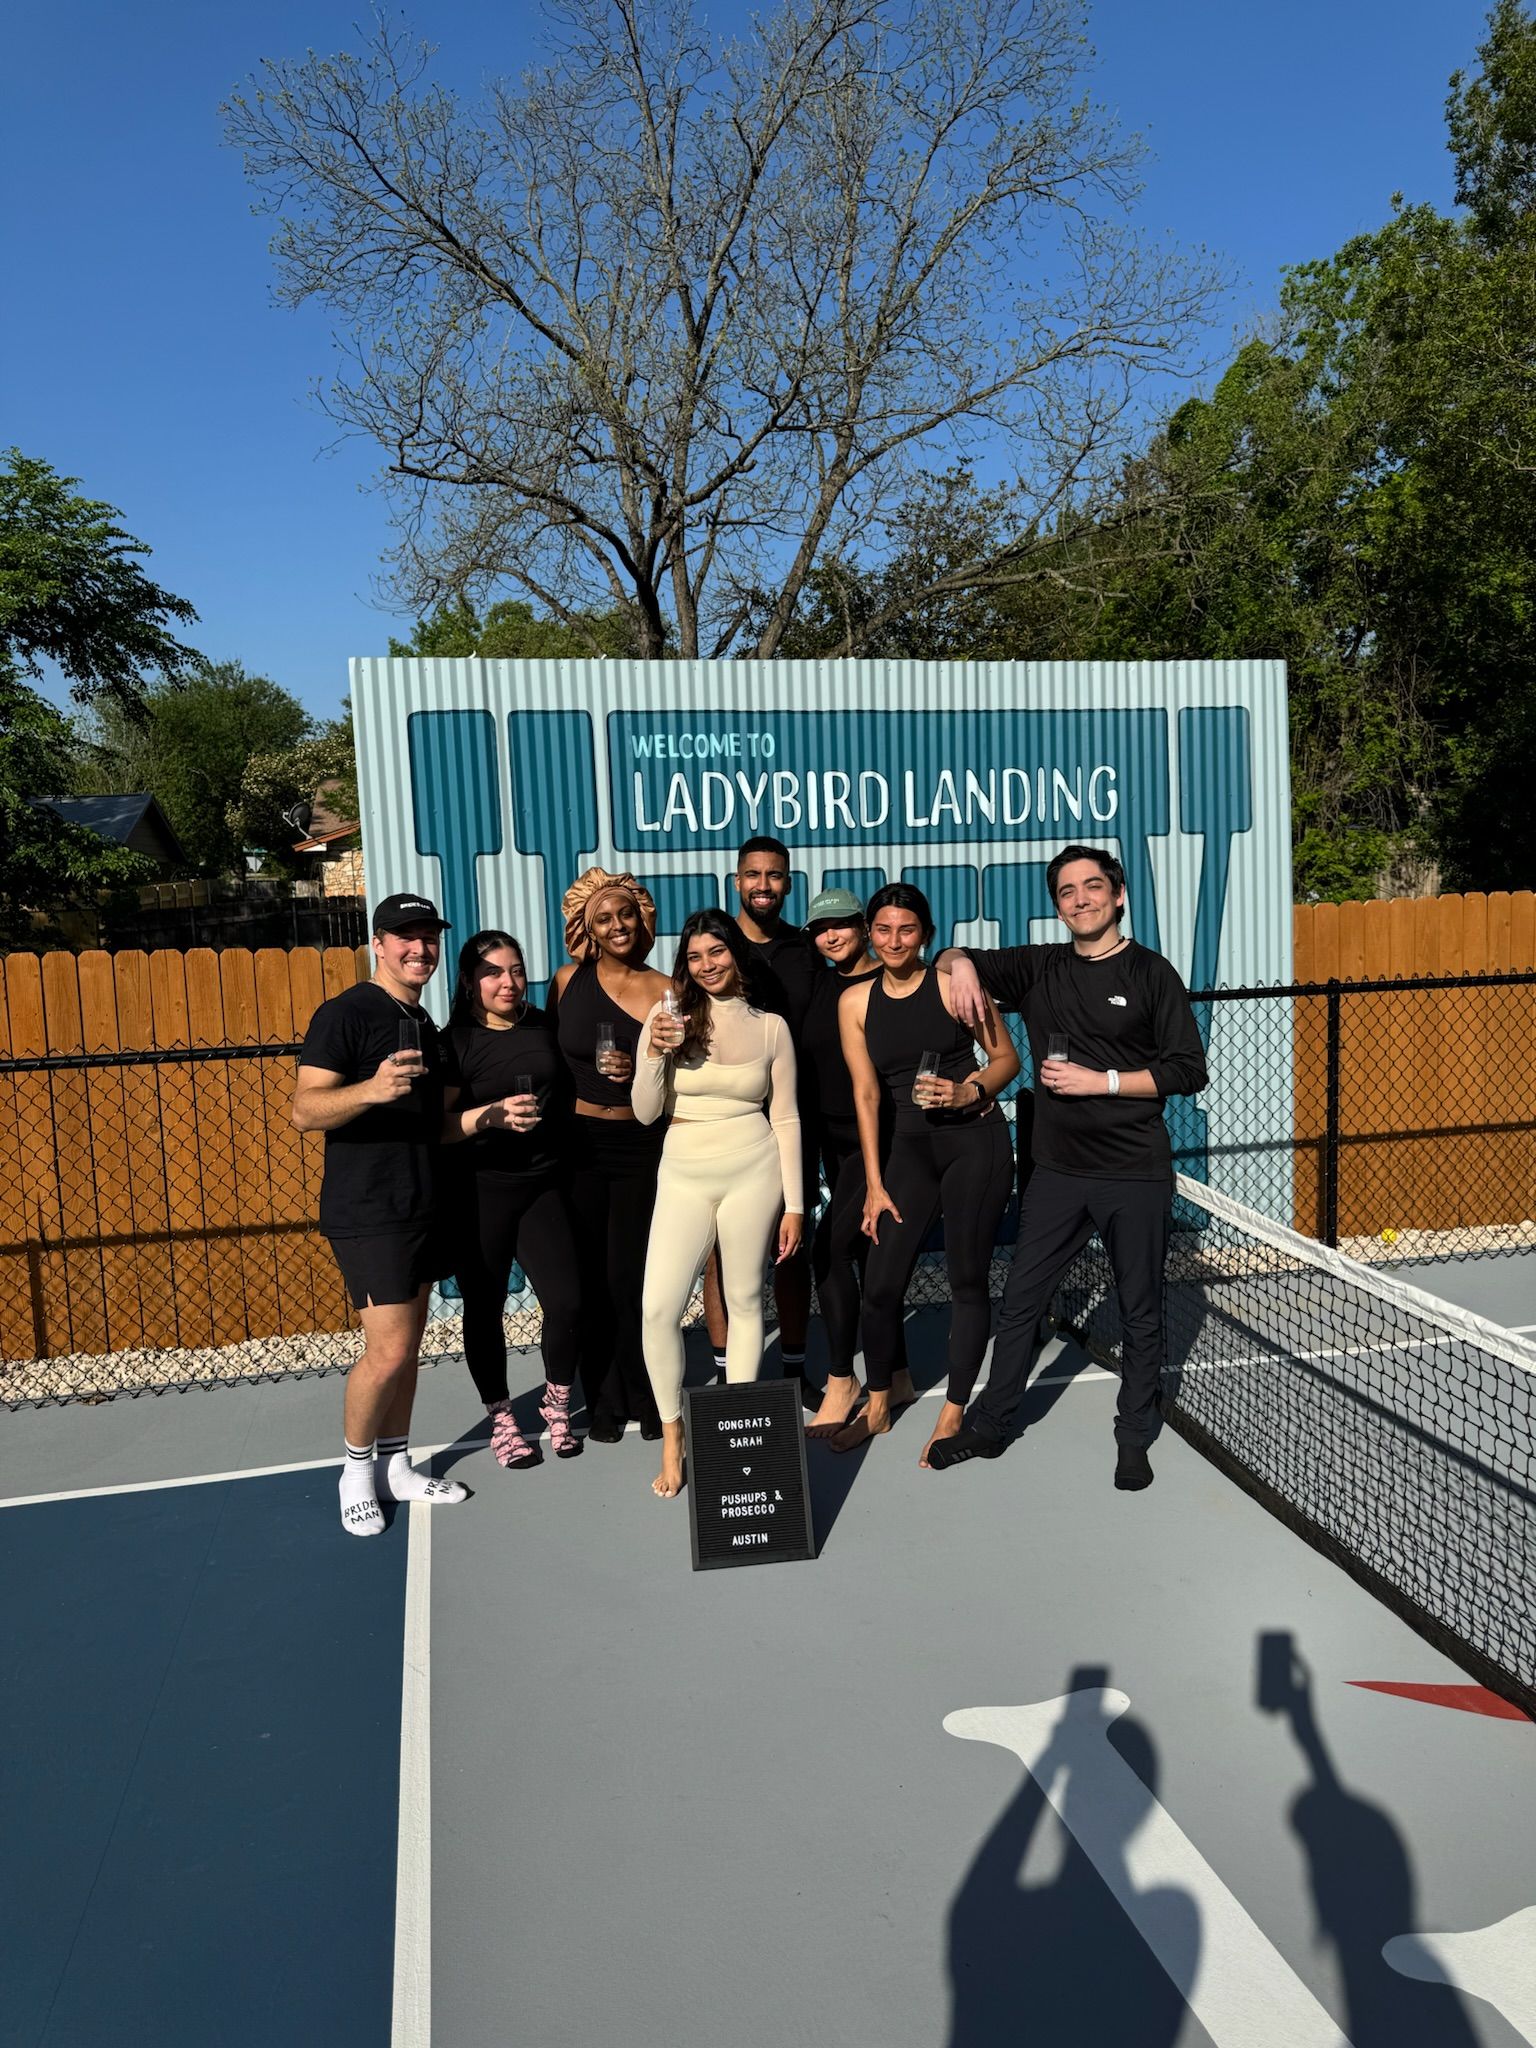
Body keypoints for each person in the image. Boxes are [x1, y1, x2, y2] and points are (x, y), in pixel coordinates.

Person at [926, 844, 1208, 1489]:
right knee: (1022, 1299)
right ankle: (993, 1426)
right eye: (1066, 892)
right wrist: (959, 962)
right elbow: (946, 961)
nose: (1080, 899)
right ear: (1057, 906)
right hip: (1056, 1173)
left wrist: (1100, 1081)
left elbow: (1187, 1070)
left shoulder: (1150, 972)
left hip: (1134, 1172)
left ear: (1118, 895)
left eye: (1092, 887)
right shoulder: (1039, 968)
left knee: (1140, 1310)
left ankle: (1134, 1434)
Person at [293, 891, 469, 1537]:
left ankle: (397, 1466)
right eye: (405, 936)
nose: (418, 947)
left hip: (421, 1202)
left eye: (427, 936)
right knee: (387, 1352)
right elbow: (304, 1110)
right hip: (369, 1210)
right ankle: (354, 1472)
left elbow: (433, 1128)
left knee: (410, 1348)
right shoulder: (346, 1013)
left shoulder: (421, 1023)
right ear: (379, 943)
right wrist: (368, 1089)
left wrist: (487, 1117)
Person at [834, 883, 1019, 1465]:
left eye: (906, 930)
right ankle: (883, 1398)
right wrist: (874, 1183)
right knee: (880, 1287)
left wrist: (969, 1089)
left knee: (967, 1279)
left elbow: (1006, 1059)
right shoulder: (854, 1003)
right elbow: (866, 1095)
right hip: (905, 1155)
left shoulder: (952, 986)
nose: (893, 941)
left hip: (974, 1145)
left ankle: (955, 1407)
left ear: (926, 936)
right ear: (870, 933)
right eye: (883, 930)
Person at [634, 910, 804, 1499]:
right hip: (682, 1167)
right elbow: (645, 1111)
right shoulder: (667, 1018)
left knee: (745, 1299)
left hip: (754, 1166)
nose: (707, 966)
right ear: (685, 963)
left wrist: (797, 1205)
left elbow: (785, 1116)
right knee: (658, 1308)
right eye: (696, 956)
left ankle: (738, 1431)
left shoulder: (771, 1028)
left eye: (717, 952)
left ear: (736, 954)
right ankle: (674, 1439)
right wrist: (653, 1052)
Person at [441, 930, 584, 1467]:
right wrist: (490, 1116)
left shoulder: (545, 1026)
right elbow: (439, 1128)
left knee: (568, 1300)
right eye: (494, 972)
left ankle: (556, 1402)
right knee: (485, 1307)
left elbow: (576, 1088)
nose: (508, 981)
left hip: (544, 1183)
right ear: (470, 981)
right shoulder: (454, 1042)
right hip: (482, 1191)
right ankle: (502, 1417)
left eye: (517, 970)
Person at [551, 869, 672, 1443]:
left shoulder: (668, 990)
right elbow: (550, 1061)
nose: (617, 925)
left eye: (624, 914)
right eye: (604, 918)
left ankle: (648, 1395)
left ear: (641, 918)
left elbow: (682, 1075)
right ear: (587, 929)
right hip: (578, 1145)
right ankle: (601, 1400)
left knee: (632, 1278)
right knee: (589, 1279)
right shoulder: (565, 981)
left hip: (640, 1147)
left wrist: (643, 1074)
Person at [701, 836, 821, 1404]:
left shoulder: (805, 951)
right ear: (736, 881)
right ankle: (728, 1377)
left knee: (792, 1246)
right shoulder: (715, 947)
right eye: (753, 874)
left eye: (774, 875)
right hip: (728, 1128)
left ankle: (794, 1369)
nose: (763, 885)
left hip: (792, 1121)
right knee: (721, 1255)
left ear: (788, 883)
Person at [798, 888, 905, 1438]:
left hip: (875, 1141)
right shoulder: (818, 980)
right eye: (820, 928)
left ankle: (843, 1379)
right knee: (866, 1253)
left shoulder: (888, 981)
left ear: (864, 927)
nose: (830, 936)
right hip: (827, 1140)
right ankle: (901, 1374)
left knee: (831, 1253)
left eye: (841, 925)